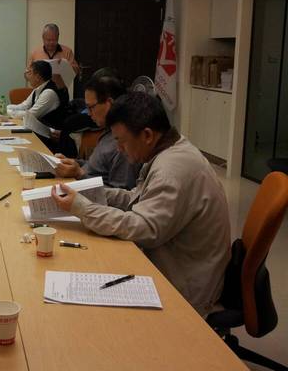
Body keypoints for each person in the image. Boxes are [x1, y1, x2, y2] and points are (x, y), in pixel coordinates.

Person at [51, 92, 230, 316]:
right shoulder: (168, 148)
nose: (119, 148)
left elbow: (143, 229)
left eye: (121, 141)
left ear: (146, 135)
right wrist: (89, 193)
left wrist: (81, 208)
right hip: (175, 261)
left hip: (186, 286)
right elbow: (137, 198)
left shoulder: (171, 170)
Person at [55, 73, 141, 189]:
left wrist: (79, 174)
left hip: (88, 195)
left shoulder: (124, 143)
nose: (88, 113)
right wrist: (73, 163)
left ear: (109, 104)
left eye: (91, 107)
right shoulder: (108, 130)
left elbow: (119, 193)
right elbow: (98, 167)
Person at [8, 60, 67, 130]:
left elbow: (31, 115)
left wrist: (9, 112)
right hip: (38, 128)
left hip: (50, 132)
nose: (27, 76)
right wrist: (6, 108)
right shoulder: (37, 89)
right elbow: (24, 106)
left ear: (38, 77)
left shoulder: (49, 93)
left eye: (30, 73)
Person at [28, 23, 81, 97]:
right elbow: (27, 73)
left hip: (61, 93)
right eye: (48, 40)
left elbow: (76, 70)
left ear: (58, 37)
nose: (51, 43)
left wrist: (65, 65)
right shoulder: (35, 53)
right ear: (43, 38)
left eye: (54, 40)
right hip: (40, 93)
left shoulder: (67, 51)